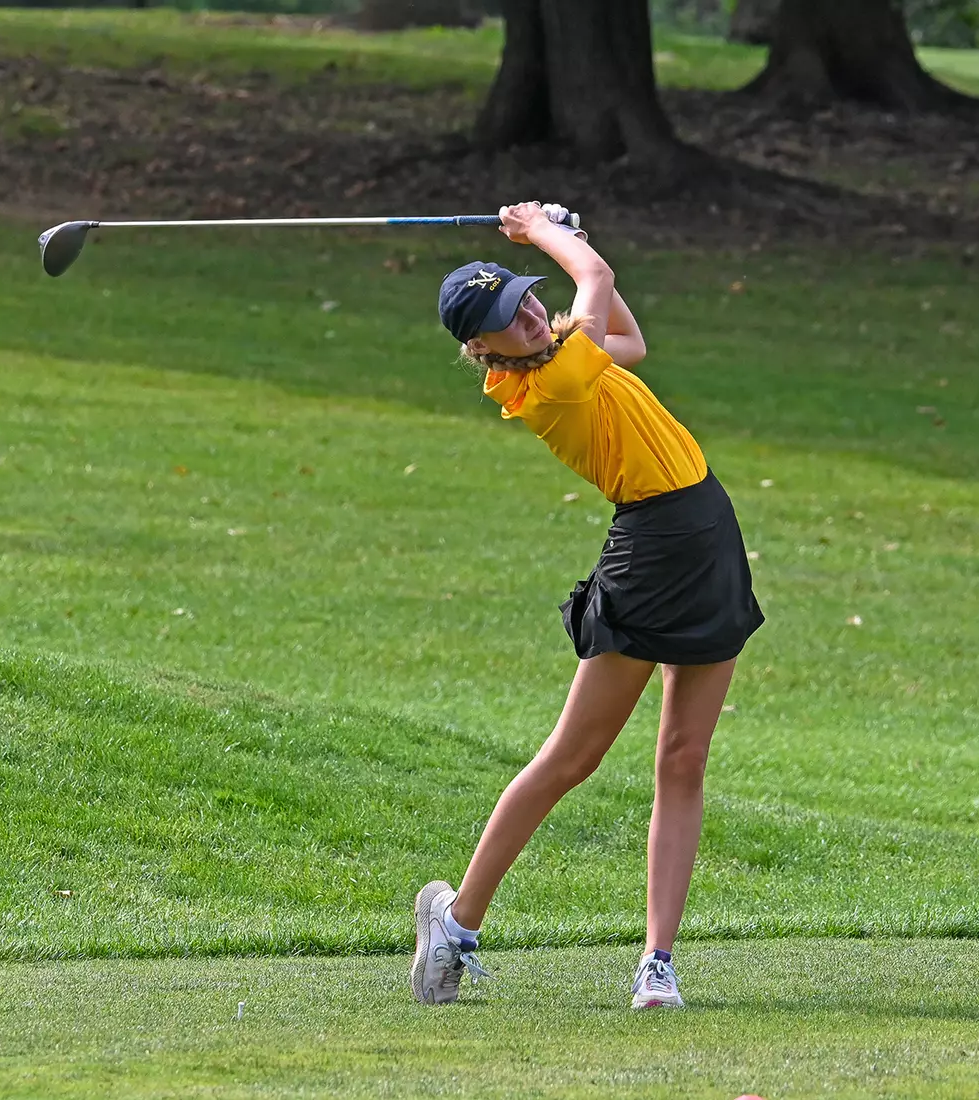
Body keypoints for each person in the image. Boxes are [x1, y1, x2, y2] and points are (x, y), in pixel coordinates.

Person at [411, 201, 764, 1010]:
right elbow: (597, 278)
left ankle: (658, 964)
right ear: (481, 348)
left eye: (529, 296)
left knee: (683, 759)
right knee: (574, 757)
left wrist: (552, 244)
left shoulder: (564, 353)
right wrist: (540, 228)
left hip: (706, 533)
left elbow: (630, 341)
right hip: (650, 554)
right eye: (508, 317)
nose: (532, 313)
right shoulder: (552, 382)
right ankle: (457, 922)